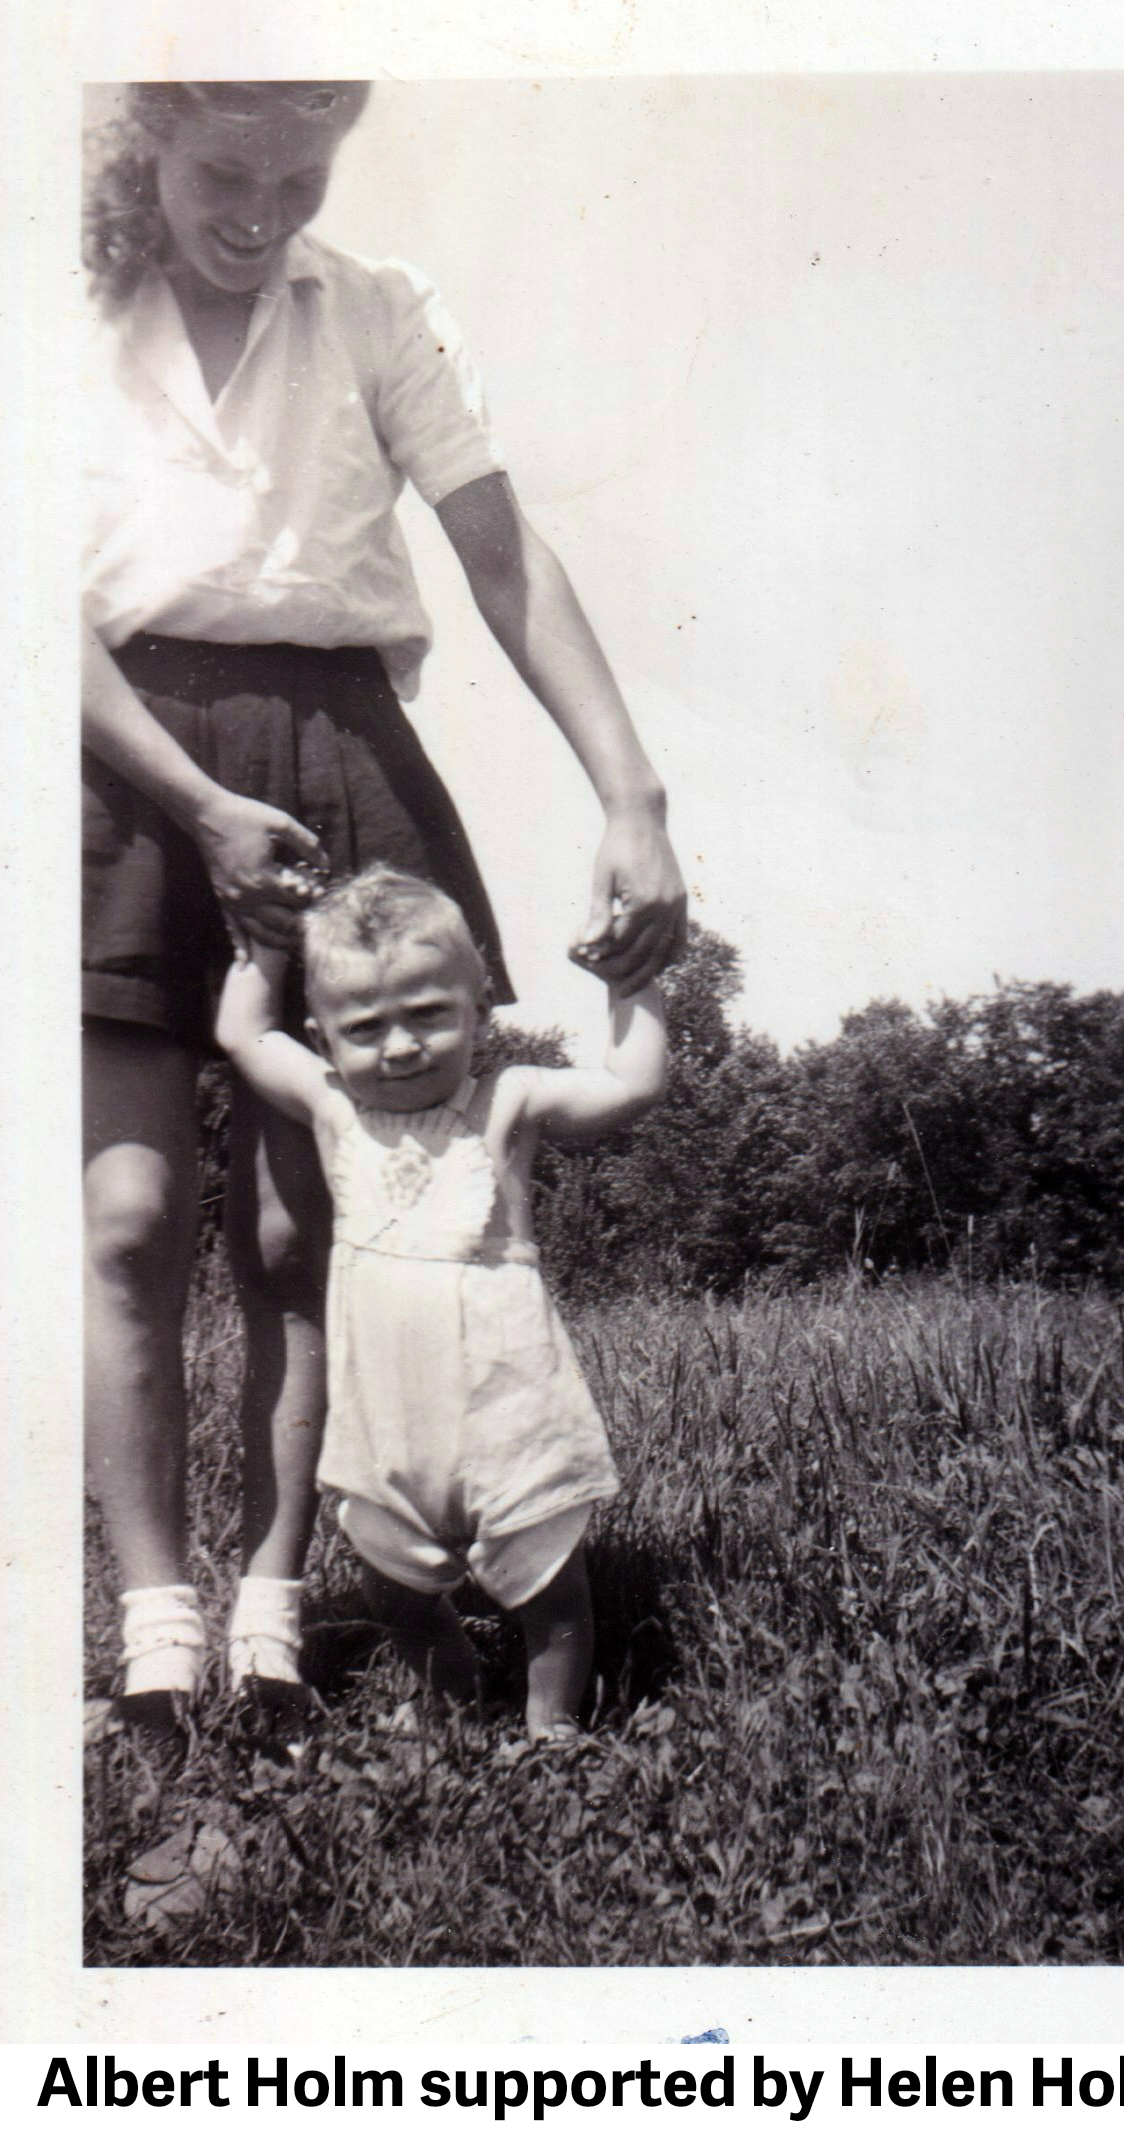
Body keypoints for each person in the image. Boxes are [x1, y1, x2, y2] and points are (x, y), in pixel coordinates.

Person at [82, 82, 686, 1753]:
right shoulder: (54, 311)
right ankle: (154, 1639)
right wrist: (194, 808)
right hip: (118, 764)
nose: (263, 211)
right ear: (145, 143)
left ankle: (279, 1610)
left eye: (301, 174)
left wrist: (629, 795)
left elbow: (502, 560)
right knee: (128, 1217)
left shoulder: (377, 308)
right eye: (225, 172)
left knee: (307, 1230)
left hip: (340, 749)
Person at [216, 867, 667, 1738]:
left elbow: (632, 1084)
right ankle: (453, 1704)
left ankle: (550, 1731)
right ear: (324, 1035)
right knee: (396, 1591)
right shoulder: (331, 1105)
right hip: (388, 1426)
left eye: (428, 1013)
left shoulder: (508, 1100)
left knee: (554, 1592)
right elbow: (243, 1032)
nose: (398, 1046)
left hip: (509, 1414)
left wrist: (629, 982)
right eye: (364, 1027)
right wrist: (263, 939)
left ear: (479, 1007)